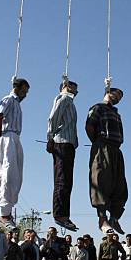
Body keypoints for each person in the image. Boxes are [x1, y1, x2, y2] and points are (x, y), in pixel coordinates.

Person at [85, 87, 128, 234]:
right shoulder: (98, 108)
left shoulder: (117, 114)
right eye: (117, 94)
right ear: (108, 91)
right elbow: (89, 126)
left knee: (120, 185)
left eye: (120, 97)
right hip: (102, 146)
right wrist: (97, 143)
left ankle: (114, 218)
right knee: (101, 181)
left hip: (116, 149)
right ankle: (102, 219)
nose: (118, 98)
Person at [0, 78, 30, 230]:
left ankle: (8, 212)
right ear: (18, 87)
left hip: (16, 137)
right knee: (7, 173)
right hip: (7, 136)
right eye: (24, 90)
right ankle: (3, 214)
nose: (25, 94)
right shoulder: (8, 99)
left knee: (16, 175)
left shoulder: (17, 104)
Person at [46, 80, 80, 232]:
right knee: (62, 180)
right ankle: (60, 214)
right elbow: (54, 118)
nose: (76, 91)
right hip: (62, 142)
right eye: (74, 87)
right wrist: (50, 137)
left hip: (69, 144)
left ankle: (64, 214)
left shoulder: (70, 102)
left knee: (67, 181)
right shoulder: (64, 98)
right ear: (66, 86)